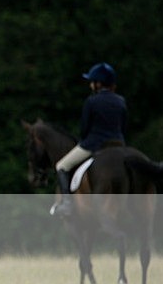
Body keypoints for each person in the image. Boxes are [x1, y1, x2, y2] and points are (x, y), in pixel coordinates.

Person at [52, 62, 127, 217]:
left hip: (94, 144)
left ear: (98, 84)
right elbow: (123, 127)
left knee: (62, 166)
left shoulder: (91, 101)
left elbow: (84, 130)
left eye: (92, 82)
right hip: (118, 146)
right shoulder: (121, 101)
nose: (90, 86)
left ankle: (67, 204)